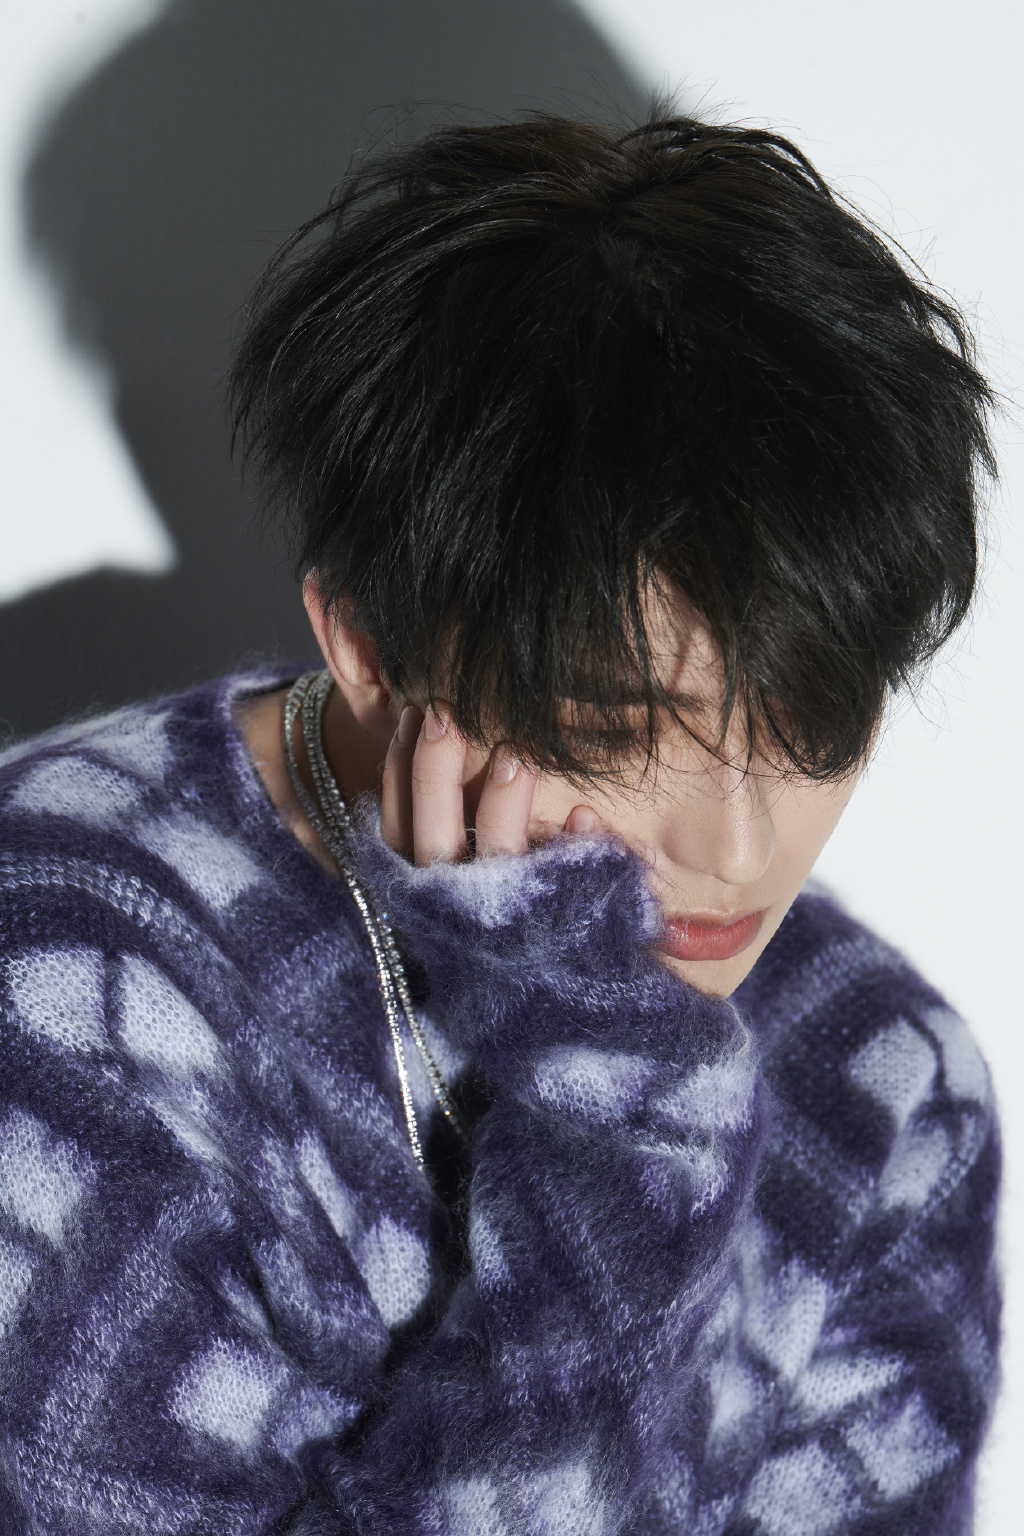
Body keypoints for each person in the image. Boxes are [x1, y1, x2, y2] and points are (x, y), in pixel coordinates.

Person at [0, 110, 1000, 1535]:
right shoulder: (68, 996)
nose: (738, 852)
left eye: (816, 730)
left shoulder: (880, 1083)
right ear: (368, 647)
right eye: (619, 730)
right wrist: (624, 1143)